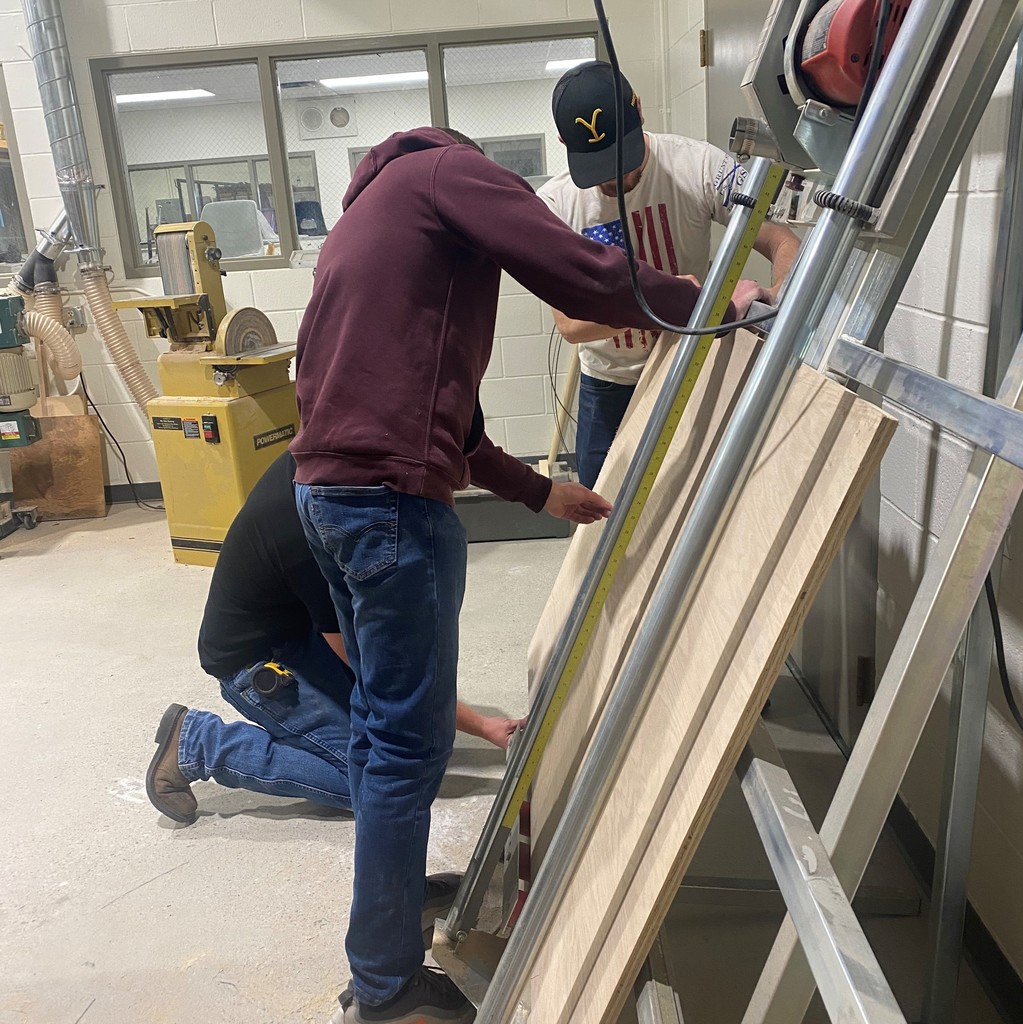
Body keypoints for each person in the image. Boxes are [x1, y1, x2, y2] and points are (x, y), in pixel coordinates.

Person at [290, 125, 759, 1024]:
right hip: (391, 505)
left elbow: (443, 413)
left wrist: (541, 495)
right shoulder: (448, 173)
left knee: (379, 738)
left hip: (329, 496)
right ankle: (384, 986)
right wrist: (696, 297)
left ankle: (380, 940)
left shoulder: (368, 220)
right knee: (404, 750)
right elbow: (575, 269)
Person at [145, 451, 523, 831]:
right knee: (370, 783)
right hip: (254, 663)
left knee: (401, 740)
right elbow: (372, 669)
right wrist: (482, 725)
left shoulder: (327, 458)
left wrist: (545, 494)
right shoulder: (315, 524)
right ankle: (200, 744)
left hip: (298, 634)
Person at [538, 60, 803, 489]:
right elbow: (570, 325)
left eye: (624, 160)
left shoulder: (698, 167)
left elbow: (780, 239)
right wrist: (673, 299)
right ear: (565, 144)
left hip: (691, 369)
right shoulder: (553, 206)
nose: (619, 179)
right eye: (602, 169)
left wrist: (779, 301)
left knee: (695, 507)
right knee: (598, 519)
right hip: (610, 388)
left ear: (639, 111)